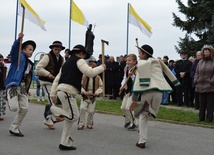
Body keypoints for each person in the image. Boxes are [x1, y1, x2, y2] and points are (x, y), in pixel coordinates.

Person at [48, 44, 105, 150]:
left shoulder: (65, 64)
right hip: (68, 92)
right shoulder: (79, 60)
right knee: (74, 116)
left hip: (62, 91)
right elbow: (90, 72)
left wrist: (53, 94)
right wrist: (102, 67)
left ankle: (64, 143)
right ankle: (52, 110)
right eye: (84, 55)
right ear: (82, 53)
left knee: (69, 120)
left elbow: (57, 79)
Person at [130, 44, 180, 149]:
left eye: (139, 53)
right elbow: (168, 71)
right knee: (149, 115)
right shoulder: (158, 62)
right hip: (159, 91)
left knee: (144, 116)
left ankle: (142, 140)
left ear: (144, 54)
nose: (138, 56)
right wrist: (176, 83)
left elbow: (137, 82)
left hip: (146, 91)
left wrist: (134, 100)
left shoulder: (142, 64)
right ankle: (143, 112)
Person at [6, 32, 36, 137]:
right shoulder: (18, 57)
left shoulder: (30, 63)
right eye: (29, 49)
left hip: (22, 87)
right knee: (14, 108)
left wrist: (27, 90)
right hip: (14, 85)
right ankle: (8, 94)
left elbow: (28, 77)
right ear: (23, 49)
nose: (31, 52)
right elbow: (14, 50)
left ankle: (14, 127)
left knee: (25, 108)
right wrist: (18, 40)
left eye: (32, 50)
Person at [36, 41, 65, 130]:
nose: (57, 51)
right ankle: (56, 116)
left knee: (53, 100)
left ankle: (49, 119)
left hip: (55, 82)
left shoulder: (61, 58)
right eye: (55, 49)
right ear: (52, 48)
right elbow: (38, 67)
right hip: (46, 81)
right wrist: (48, 74)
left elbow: (62, 69)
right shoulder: (47, 57)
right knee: (52, 99)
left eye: (59, 50)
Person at [78, 56, 103, 130]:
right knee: (82, 108)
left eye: (94, 65)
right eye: (90, 65)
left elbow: (101, 87)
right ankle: (81, 123)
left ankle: (89, 123)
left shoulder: (98, 78)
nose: (92, 67)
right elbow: (79, 85)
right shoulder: (83, 76)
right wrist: (83, 91)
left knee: (91, 111)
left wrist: (97, 92)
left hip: (93, 96)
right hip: (85, 96)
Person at [194, 45, 214, 123]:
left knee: (210, 104)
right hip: (200, 85)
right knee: (201, 103)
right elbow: (197, 72)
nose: (206, 53)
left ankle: (209, 118)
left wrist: (211, 81)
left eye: (207, 51)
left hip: (210, 86)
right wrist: (196, 79)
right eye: (205, 51)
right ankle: (201, 117)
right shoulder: (200, 62)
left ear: (211, 52)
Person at [119, 54, 138, 130]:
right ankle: (128, 121)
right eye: (127, 60)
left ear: (134, 61)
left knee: (129, 107)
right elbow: (125, 78)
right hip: (127, 90)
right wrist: (122, 85)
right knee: (123, 107)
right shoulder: (126, 68)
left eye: (129, 60)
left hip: (134, 90)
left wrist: (133, 76)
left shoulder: (137, 69)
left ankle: (135, 123)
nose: (127, 62)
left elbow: (137, 81)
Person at [0, 54, 7, 120]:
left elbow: (4, 76)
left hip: (2, 86)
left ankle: (0, 114)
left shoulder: (3, 67)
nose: (1, 61)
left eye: (2, 60)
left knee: (2, 101)